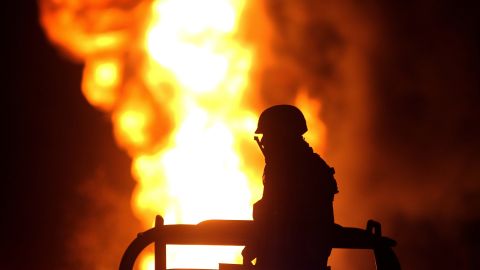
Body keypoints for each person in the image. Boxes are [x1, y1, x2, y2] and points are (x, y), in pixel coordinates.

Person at [242, 104, 338, 270]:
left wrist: (255, 246)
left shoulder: (290, 171)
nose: (264, 141)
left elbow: (277, 219)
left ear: (282, 136)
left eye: (268, 135)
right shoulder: (305, 167)